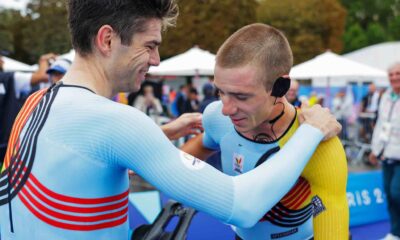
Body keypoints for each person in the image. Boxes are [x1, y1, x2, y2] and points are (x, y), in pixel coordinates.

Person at [0, 1, 340, 239]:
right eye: (149, 45)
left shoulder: (37, 102)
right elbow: (243, 206)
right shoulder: (119, 123)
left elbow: (82, 156)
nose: (157, 60)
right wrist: (311, 131)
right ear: (107, 40)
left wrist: (157, 135)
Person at [182, 23, 348, 240]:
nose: (226, 109)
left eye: (241, 97)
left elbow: (332, 227)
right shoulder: (216, 117)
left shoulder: (319, 142)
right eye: (220, 92)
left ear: (280, 87)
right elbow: (204, 144)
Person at [0, 53, 55, 163]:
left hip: (4, 146)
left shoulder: (7, 78)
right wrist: (43, 60)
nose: (3, 60)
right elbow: (43, 76)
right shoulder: (9, 78)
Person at [369, 63, 400, 240]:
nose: (394, 77)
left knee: (397, 193)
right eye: (391, 74)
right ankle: (395, 232)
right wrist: (375, 150)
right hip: (387, 154)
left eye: (398, 73)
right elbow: (381, 125)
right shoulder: (386, 96)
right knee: (389, 194)